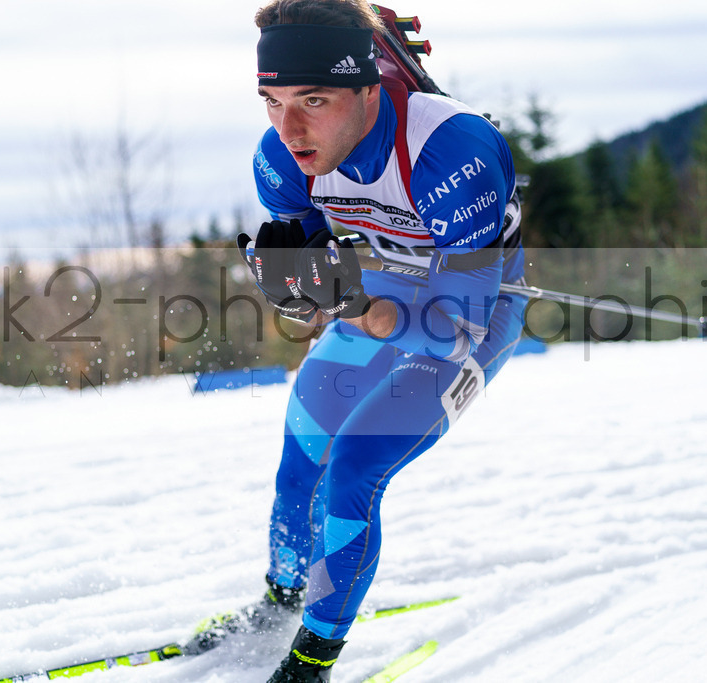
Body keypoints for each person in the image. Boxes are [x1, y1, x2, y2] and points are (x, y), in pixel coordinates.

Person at [195, 1, 527, 680]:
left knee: (351, 468)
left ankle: (312, 659)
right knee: (300, 454)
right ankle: (280, 599)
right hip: (380, 293)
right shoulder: (280, 161)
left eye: (313, 100)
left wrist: (350, 303)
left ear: (368, 87)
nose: (290, 128)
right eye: (272, 101)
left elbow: (451, 325)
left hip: (469, 315)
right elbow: (318, 279)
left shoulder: (451, 153)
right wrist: (301, 288)